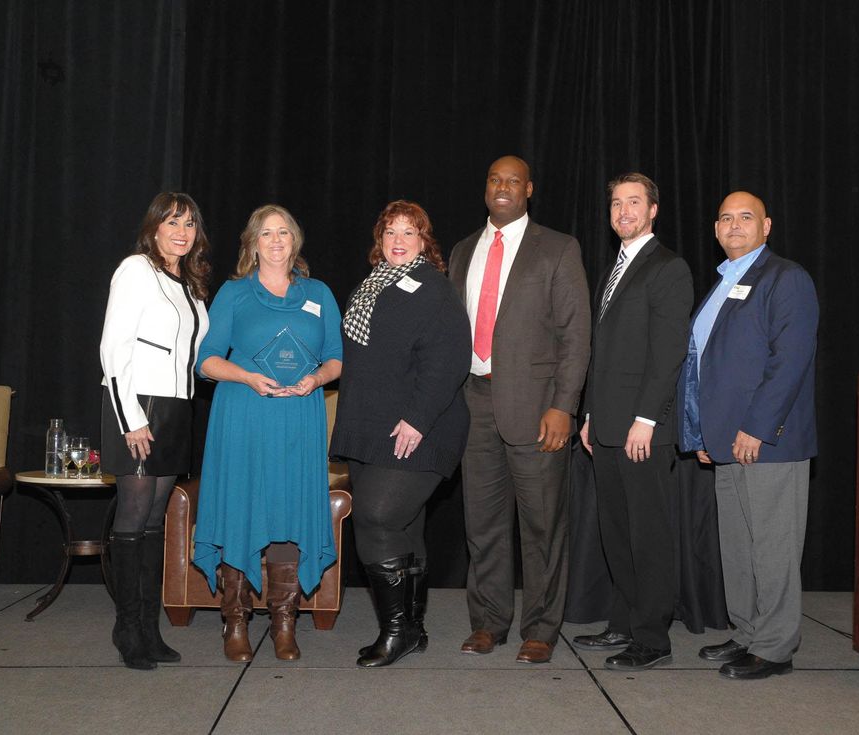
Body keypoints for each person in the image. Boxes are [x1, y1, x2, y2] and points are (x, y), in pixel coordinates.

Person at [448, 155, 591, 664]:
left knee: (543, 525)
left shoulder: (557, 248)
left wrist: (563, 406)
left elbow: (575, 335)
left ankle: (540, 629)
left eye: (512, 180)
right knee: (482, 525)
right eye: (494, 179)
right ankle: (487, 623)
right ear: (485, 188)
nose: (502, 187)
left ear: (529, 189)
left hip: (537, 411)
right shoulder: (464, 251)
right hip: (474, 403)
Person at [192, 204, 343, 663]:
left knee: (288, 512)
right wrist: (249, 377)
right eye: (266, 233)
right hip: (243, 418)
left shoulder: (319, 293)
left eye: (283, 232)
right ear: (252, 243)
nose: (276, 240)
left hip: (299, 419)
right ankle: (234, 620)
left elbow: (335, 358)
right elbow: (207, 360)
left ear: (294, 241)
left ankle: (283, 622)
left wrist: (315, 380)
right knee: (242, 507)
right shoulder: (234, 294)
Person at [678, 191, 818, 680]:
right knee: (738, 546)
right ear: (715, 229)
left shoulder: (786, 278)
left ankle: (776, 647)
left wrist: (756, 428)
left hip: (768, 443)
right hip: (725, 442)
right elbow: (703, 368)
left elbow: (790, 362)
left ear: (767, 226)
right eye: (725, 218)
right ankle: (748, 632)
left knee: (772, 546)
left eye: (746, 217)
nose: (734, 226)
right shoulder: (721, 285)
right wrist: (699, 430)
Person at [330, 200, 471, 667]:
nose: (397, 240)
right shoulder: (371, 287)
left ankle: (394, 632)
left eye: (409, 232)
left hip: (419, 426)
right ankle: (412, 627)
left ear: (424, 242)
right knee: (404, 525)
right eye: (390, 231)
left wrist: (417, 418)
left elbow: (449, 359)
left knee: (378, 517)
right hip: (370, 427)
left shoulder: (434, 288)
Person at [573, 173, 694, 670]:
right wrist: (588, 414)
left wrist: (646, 419)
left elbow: (668, 356)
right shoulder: (613, 269)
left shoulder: (669, 268)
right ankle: (625, 621)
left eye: (634, 202)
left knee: (648, 535)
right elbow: (602, 353)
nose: (623, 211)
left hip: (642, 431)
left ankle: (653, 638)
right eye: (616, 203)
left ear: (653, 210)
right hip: (604, 426)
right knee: (616, 530)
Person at [100, 192, 211, 670]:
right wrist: (131, 419)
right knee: (133, 518)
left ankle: (149, 627)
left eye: (189, 223)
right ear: (154, 227)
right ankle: (127, 629)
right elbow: (113, 348)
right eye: (172, 222)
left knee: (154, 525)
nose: (181, 231)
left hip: (177, 409)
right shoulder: (135, 269)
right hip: (138, 406)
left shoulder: (188, 283)